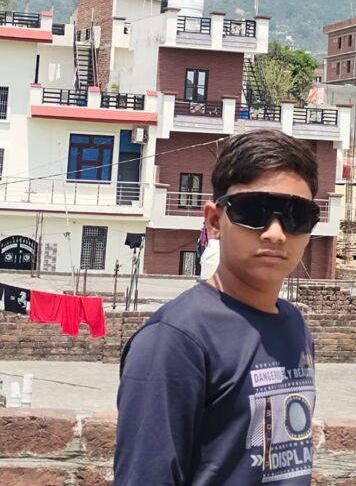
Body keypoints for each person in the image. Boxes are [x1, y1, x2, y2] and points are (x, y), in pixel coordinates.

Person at [114, 129, 320, 485]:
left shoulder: (294, 325)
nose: (275, 233)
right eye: (253, 211)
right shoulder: (175, 340)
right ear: (214, 221)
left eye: (296, 215)